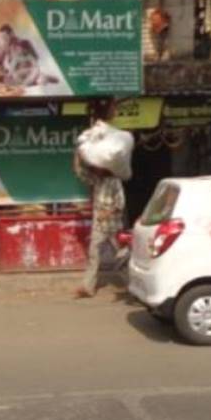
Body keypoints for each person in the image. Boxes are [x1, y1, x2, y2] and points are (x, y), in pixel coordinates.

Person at [73, 102, 126, 299]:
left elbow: (120, 204)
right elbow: (81, 174)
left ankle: (133, 285)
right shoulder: (98, 180)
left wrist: (108, 212)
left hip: (112, 225)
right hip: (99, 224)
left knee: (121, 257)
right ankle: (88, 287)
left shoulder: (114, 181)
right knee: (94, 254)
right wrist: (78, 157)